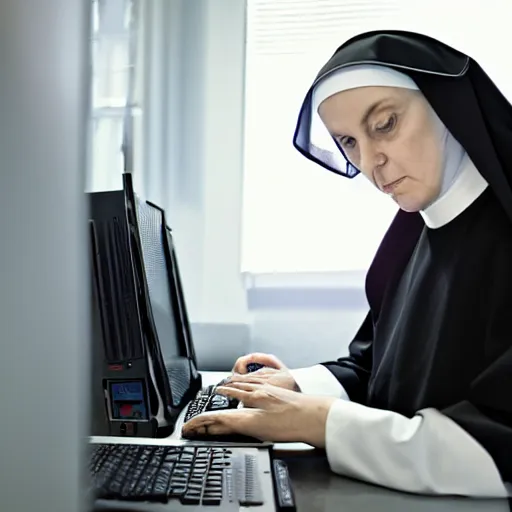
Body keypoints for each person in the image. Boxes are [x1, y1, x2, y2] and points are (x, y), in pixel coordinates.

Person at [182, 30, 512, 497]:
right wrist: (296, 386)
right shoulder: (412, 232)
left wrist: (318, 421)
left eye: (385, 124)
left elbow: (499, 450)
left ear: (446, 105)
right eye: (349, 142)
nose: (372, 162)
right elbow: (376, 368)